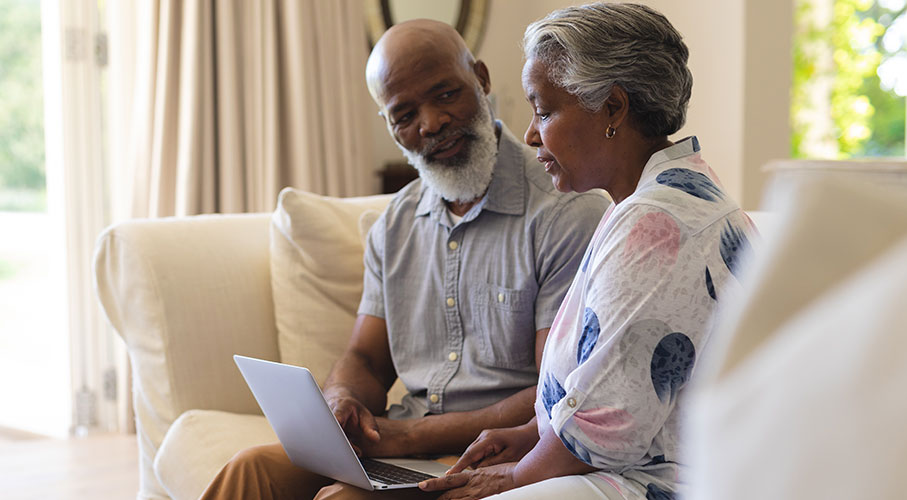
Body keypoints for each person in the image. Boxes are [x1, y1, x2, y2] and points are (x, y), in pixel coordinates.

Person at [197, 19, 607, 500]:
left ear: (481, 79)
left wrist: (410, 437)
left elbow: (554, 391)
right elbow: (366, 359)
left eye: (446, 94)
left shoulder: (565, 212)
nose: (430, 123)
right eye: (404, 113)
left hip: (494, 453)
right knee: (248, 472)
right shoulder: (394, 224)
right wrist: (341, 399)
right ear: (390, 125)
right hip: (400, 447)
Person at [418, 3, 757, 499]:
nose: (531, 133)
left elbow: (609, 424)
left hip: (653, 484)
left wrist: (515, 476)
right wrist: (530, 437)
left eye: (544, 110)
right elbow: (621, 385)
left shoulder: (658, 223)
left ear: (613, 109)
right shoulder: (669, 196)